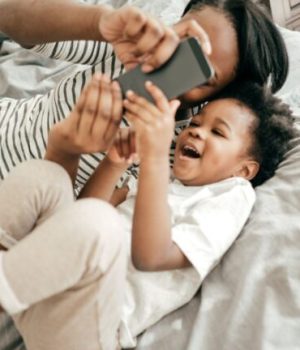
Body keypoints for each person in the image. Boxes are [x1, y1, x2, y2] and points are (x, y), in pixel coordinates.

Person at [0, 74, 296, 349]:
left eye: (217, 132)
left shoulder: (231, 195)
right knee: (45, 177)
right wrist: (114, 163)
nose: (196, 133)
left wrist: (153, 157)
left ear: (243, 170)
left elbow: (151, 256)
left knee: (100, 222)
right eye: (195, 124)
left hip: (91, 322)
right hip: (44, 283)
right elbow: (81, 212)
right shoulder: (163, 176)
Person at [0, 0, 289, 188]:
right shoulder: (130, 51)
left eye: (201, 73)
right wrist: (100, 21)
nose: (175, 65)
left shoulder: (184, 146)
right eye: (182, 44)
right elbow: (9, 16)